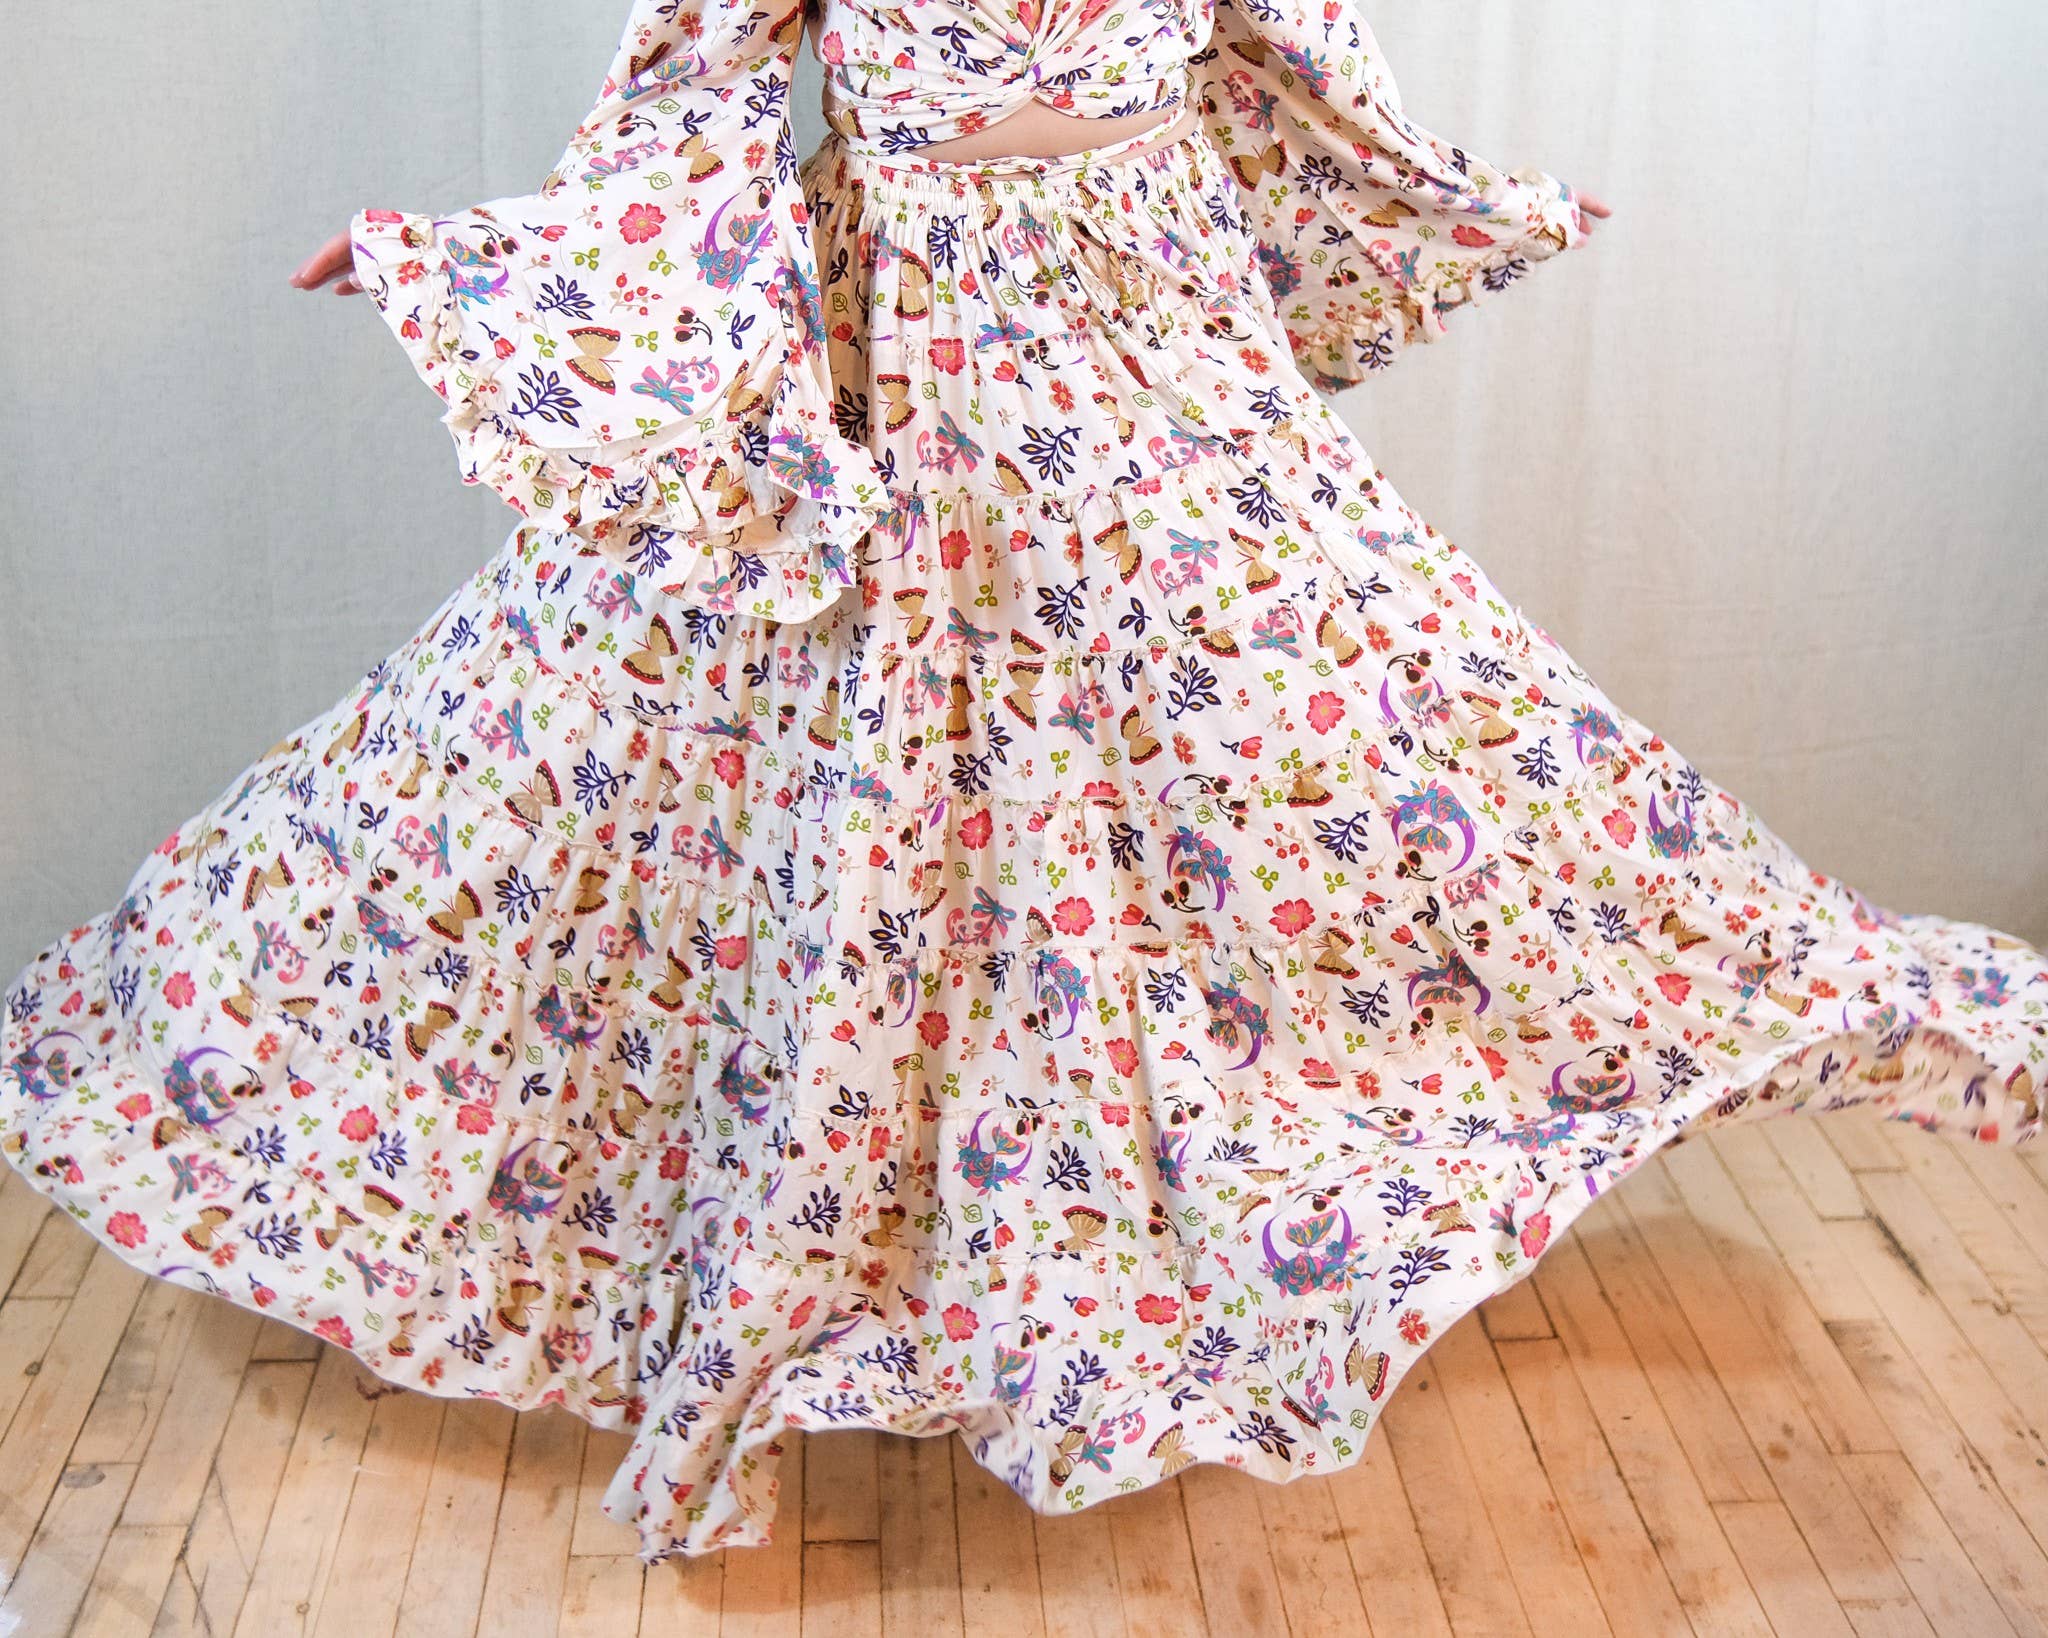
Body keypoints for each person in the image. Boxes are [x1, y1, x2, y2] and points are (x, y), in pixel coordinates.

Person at [4, 0, 2039, 1565]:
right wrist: (488, 271)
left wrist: (1433, 193)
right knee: (713, 771)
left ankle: (1756, 996)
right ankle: (853, 1240)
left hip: (1157, 320)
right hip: (912, 338)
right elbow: (686, 110)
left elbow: (1294, 61)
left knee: (1398, 708)